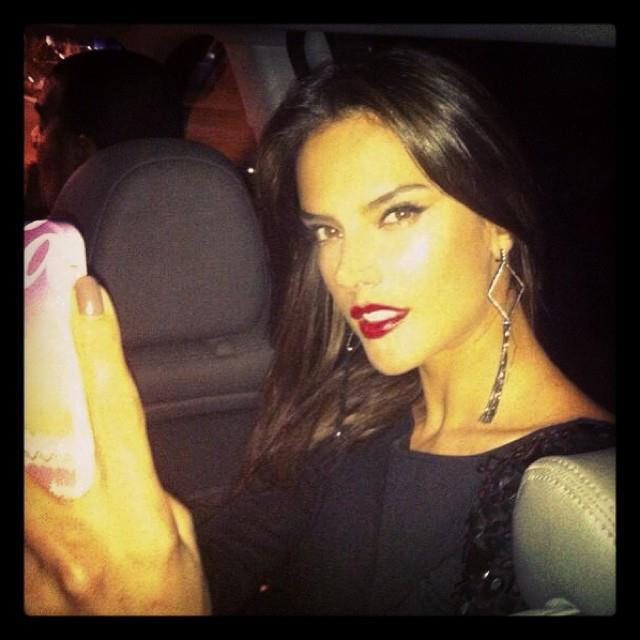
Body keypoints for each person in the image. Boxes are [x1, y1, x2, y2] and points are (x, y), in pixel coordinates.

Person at [24, 48, 614, 616]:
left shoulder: (569, 509)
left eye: (397, 214)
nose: (349, 272)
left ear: (498, 222)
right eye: (326, 232)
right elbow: (231, 550)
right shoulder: (352, 403)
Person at [26, 49, 184, 217]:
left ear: (81, 156)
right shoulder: (185, 223)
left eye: (43, 124)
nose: (35, 139)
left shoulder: (53, 234)